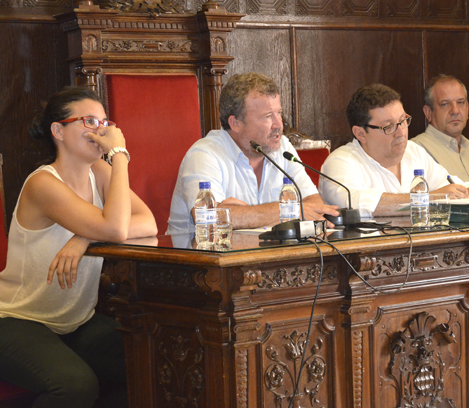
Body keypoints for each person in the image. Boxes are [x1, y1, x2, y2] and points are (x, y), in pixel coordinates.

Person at [0, 87, 157, 407]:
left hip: (75, 321)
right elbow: (116, 228)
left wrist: (85, 237)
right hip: (17, 320)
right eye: (89, 121)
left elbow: (148, 222)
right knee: (75, 387)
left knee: (151, 362)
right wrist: (119, 154)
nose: (102, 131)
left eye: (105, 122)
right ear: (58, 131)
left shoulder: (99, 172)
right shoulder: (43, 183)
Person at [167, 72, 338, 233]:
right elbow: (208, 218)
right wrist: (287, 211)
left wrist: (244, 214)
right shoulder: (204, 155)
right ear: (235, 123)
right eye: (267, 116)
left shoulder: (282, 148)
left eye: (279, 113)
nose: (279, 124)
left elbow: (314, 205)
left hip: (265, 251)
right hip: (199, 253)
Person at [320, 83, 469, 218]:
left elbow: (450, 186)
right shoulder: (340, 163)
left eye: (403, 121)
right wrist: (431, 198)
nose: (401, 133)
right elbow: (357, 204)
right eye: (389, 126)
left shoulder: (414, 152)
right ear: (360, 133)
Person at [411, 74, 469, 188]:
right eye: (445, 104)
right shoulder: (416, 150)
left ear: (467, 108)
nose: (455, 111)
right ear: (428, 112)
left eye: (460, 102)